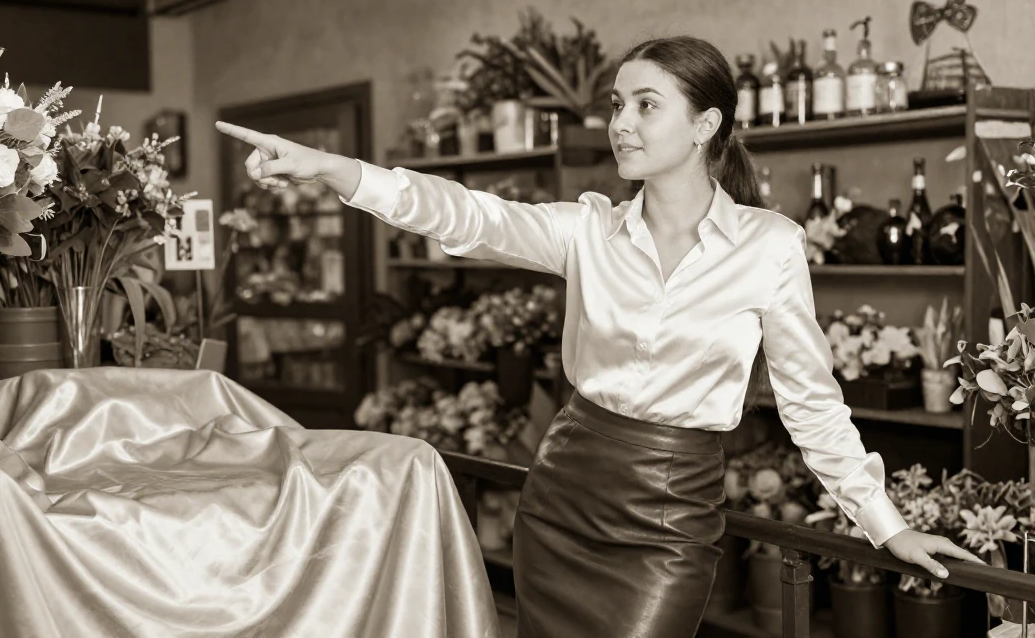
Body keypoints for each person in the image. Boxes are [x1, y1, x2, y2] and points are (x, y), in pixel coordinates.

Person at [217, 35, 986, 638]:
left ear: (705, 124)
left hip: (673, 516)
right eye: (618, 104)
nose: (620, 122)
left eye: (646, 105)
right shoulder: (586, 230)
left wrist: (886, 526)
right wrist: (333, 170)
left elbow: (811, 404)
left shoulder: (771, 245)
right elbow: (464, 214)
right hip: (564, 496)